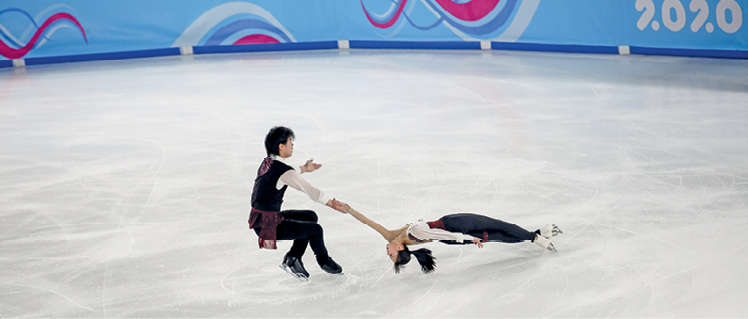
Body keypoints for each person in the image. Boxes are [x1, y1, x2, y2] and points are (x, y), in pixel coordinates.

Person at [331, 200, 561, 274]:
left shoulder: (391, 236)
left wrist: (348, 210)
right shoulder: (414, 233)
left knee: (499, 235)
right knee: (500, 227)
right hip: (456, 226)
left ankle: (541, 234)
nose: (387, 252)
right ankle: (539, 237)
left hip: (452, 233)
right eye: (391, 256)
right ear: (400, 250)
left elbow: (368, 222)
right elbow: (443, 233)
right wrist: (469, 239)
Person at [249, 126, 350, 281]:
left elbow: (288, 171)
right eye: (290, 141)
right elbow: (311, 191)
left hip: (262, 219)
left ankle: (293, 258)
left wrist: (305, 168)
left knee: (310, 216)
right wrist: (334, 205)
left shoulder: (268, 163)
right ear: (281, 146)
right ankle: (324, 262)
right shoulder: (283, 171)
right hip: (268, 225)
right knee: (315, 230)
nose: (292, 145)